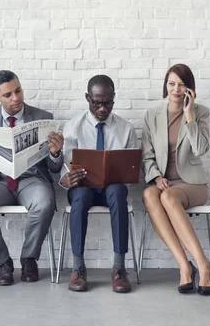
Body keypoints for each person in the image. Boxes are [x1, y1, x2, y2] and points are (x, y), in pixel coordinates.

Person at [0, 70, 64, 286]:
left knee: (45, 202)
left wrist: (55, 152)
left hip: (32, 180)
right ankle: (2, 263)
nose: (15, 98)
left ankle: (29, 259)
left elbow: (54, 169)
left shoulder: (43, 117)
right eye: (7, 95)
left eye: (18, 91)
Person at [60, 75, 139, 293]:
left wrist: (125, 175)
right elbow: (65, 168)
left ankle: (119, 269)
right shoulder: (73, 127)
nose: (103, 109)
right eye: (97, 103)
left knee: (117, 191)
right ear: (87, 98)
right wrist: (65, 179)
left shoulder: (126, 129)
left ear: (114, 99)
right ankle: (78, 268)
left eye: (108, 103)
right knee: (81, 195)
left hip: (111, 189)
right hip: (83, 189)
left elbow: (132, 170)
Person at [141, 64, 210, 296]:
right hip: (164, 181)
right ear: (165, 85)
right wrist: (156, 176)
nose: (176, 89)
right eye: (171, 83)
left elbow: (201, 149)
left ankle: (203, 265)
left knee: (169, 197)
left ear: (189, 88)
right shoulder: (151, 116)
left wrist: (189, 115)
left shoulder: (201, 112)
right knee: (149, 194)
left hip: (193, 183)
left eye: (181, 84)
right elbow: (146, 154)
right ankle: (184, 265)